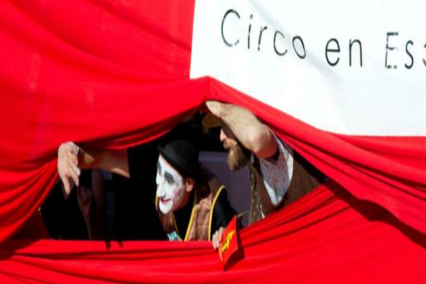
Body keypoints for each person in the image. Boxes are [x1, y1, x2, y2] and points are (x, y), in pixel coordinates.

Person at [57, 139, 235, 242]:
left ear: (189, 184)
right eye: (159, 173)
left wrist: (223, 237)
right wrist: (69, 152)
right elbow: (101, 157)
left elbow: (234, 241)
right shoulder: (152, 168)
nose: (160, 190)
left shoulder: (214, 204)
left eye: (169, 181)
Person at [205, 101, 325, 248]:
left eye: (227, 124)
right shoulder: (255, 165)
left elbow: (255, 138)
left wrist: (221, 108)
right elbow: (262, 235)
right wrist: (230, 237)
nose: (221, 136)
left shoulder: (281, 146)